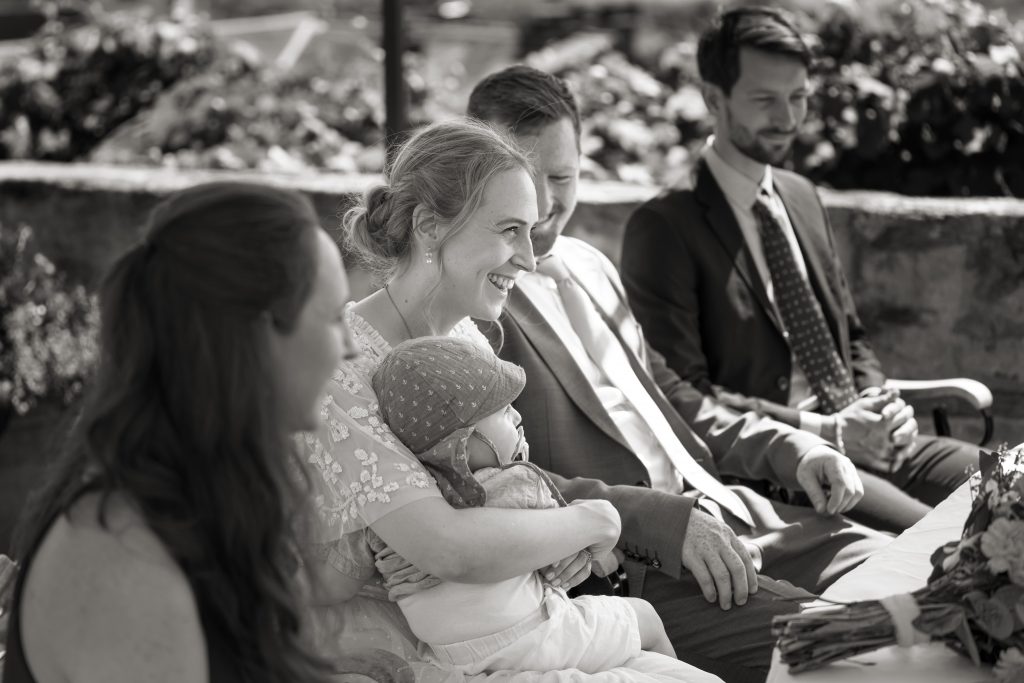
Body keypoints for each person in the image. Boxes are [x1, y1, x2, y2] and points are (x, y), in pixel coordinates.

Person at [466, 64, 893, 683]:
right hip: (640, 565)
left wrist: (790, 447)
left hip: (734, 511)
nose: (546, 204)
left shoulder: (589, 264)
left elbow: (670, 397)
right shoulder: (476, 305)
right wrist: (662, 524)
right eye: (525, 180)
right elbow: (503, 478)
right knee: (858, 653)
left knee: (931, 578)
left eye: (562, 176)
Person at [301, 118, 697, 683]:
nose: (530, 258)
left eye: (531, 231)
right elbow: (446, 547)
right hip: (393, 651)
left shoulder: (467, 337)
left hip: (514, 623)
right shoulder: (343, 367)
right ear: (429, 226)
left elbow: (497, 497)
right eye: (509, 229)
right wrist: (594, 522)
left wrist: (546, 540)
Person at [620, 6, 977, 535]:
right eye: (765, 100)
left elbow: (849, 336)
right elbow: (685, 394)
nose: (788, 119)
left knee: (1009, 489)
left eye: (799, 97)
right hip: (794, 470)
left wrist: (881, 405)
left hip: (876, 443)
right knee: (949, 542)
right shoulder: (664, 227)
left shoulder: (800, 196)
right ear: (713, 99)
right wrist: (826, 430)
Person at [4, 182, 355, 683]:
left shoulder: (200, 499)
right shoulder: (121, 557)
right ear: (255, 337)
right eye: (336, 317)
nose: (351, 347)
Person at [370, 336, 711, 678]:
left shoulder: (394, 519)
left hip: (453, 656)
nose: (519, 417)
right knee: (646, 618)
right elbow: (569, 560)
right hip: (537, 639)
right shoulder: (519, 485)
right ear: (462, 446)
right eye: (505, 412)